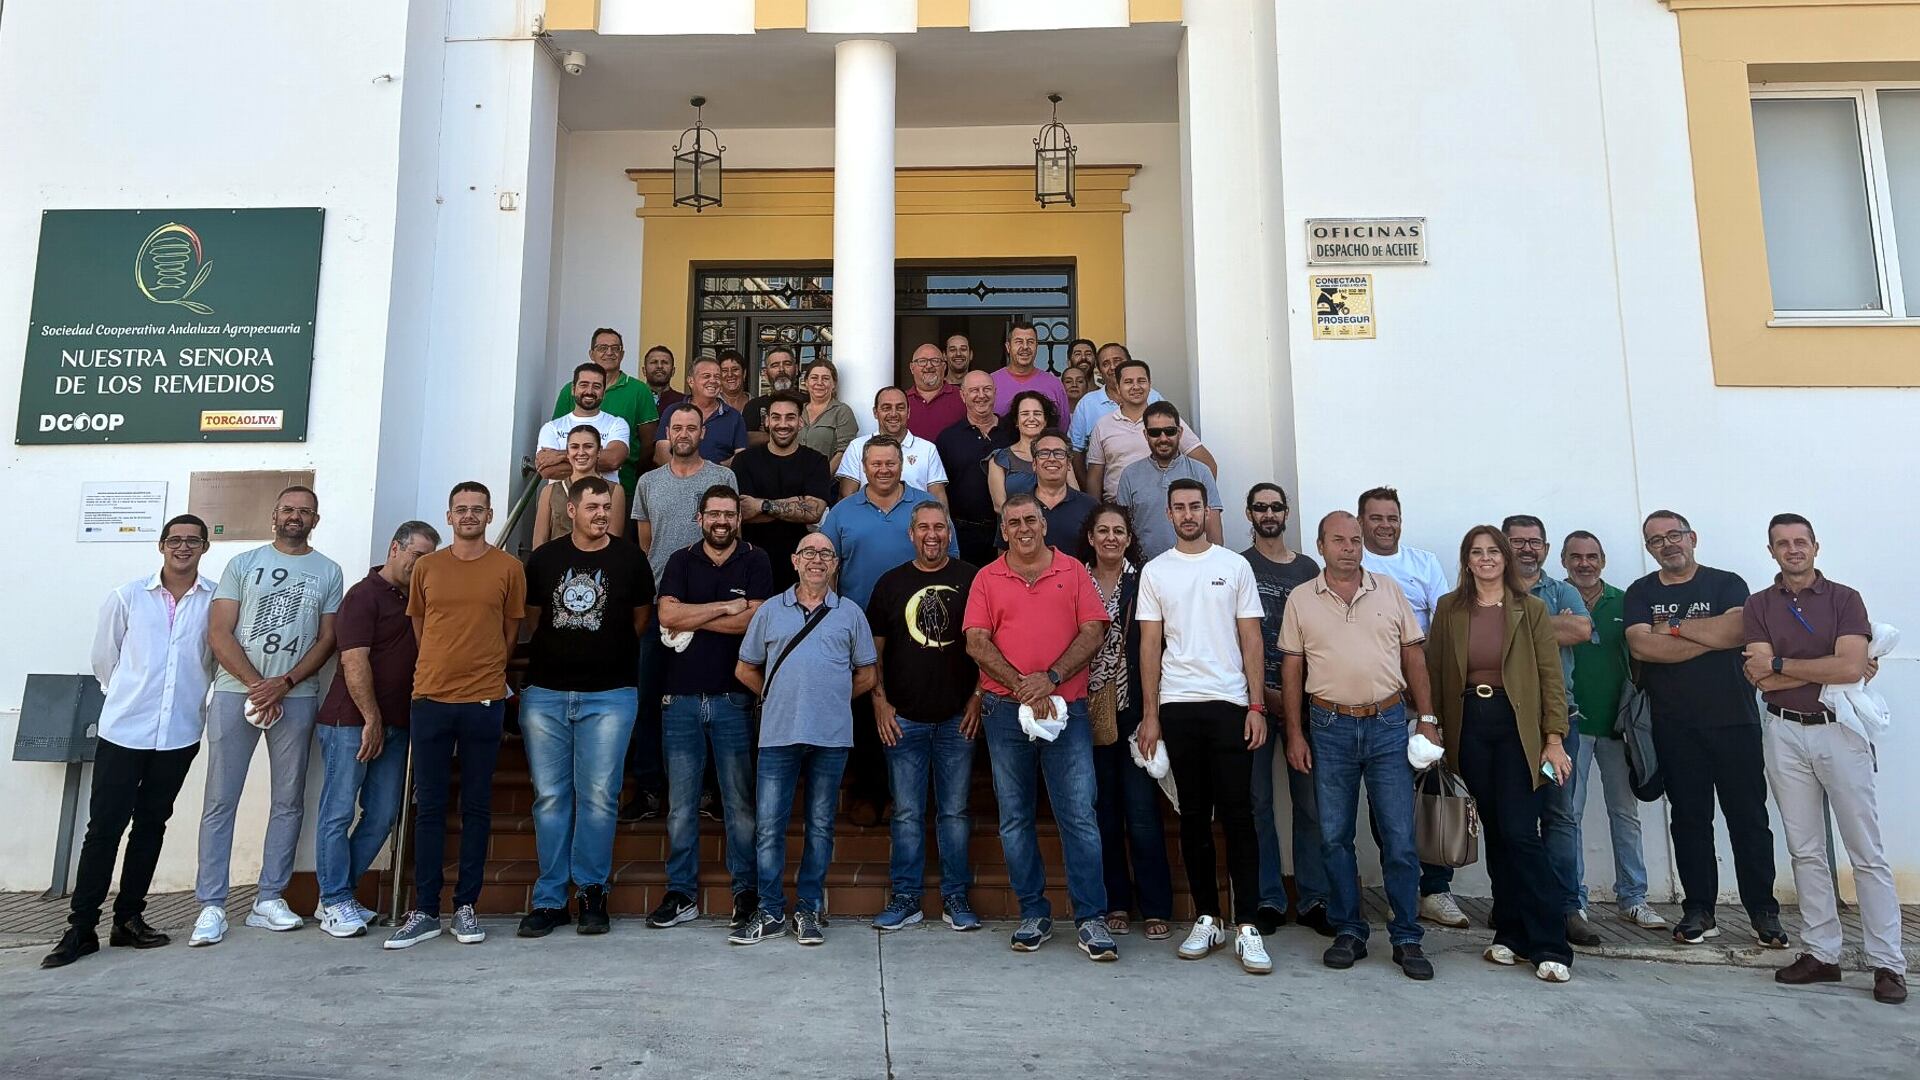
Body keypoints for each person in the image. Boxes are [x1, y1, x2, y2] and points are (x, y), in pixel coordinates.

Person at [1741, 513, 1905, 1005]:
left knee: (1866, 852)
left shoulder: (1844, 599)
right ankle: (1821, 954)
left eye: (1800, 542)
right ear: (1771, 551)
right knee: (1806, 848)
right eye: (1782, 544)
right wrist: (1825, 672)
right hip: (1784, 731)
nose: (1792, 550)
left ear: (1815, 546)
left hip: (1841, 732)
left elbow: (1853, 663)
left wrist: (1782, 665)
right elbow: (1760, 677)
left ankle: (1888, 963)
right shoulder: (1758, 604)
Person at [42, 516, 217, 969]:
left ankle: (129, 919)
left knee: (151, 826)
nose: (183, 548)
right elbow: (106, 661)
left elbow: (212, 659)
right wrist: (129, 697)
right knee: (103, 829)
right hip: (125, 731)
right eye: (175, 540)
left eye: (192, 541)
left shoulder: (216, 601)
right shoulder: (126, 598)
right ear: (161, 546)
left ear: (204, 547)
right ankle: (80, 927)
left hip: (178, 733)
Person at [1279, 511, 1438, 981]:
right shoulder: (1301, 599)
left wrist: (1427, 718)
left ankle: (1407, 937)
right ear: (1321, 545)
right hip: (1329, 726)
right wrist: (1294, 732)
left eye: (1354, 540)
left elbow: (1413, 654)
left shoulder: (1388, 589)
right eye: (1339, 540)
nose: (1349, 547)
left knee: (1399, 838)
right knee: (1334, 836)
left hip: (1389, 723)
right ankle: (1350, 929)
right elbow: (1291, 669)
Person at [963, 494, 1118, 962]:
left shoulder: (1072, 571)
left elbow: (1094, 629)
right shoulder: (987, 577)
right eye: (1014, 522)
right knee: (1014, 819)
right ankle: (1034, 911)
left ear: (1044, 524)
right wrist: (1021, 686)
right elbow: (975, 641)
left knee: (1079, 815)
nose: (1024, 528)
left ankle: (1091, 919)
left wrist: (1048, 679)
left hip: (1065, 710)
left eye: (1031, 519)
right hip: (1005, 712)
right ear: (1004, 529)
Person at [190, 486, 343, 947]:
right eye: (288, 510)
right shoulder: (241, 564)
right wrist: (260, 684)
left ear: (316, 520)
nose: (296, 517)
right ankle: (211, 905)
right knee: (220, 800)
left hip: (296, 696)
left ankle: (269, 897)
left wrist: (285, 683)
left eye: (305, 512)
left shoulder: (329, 570)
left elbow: (326, 640)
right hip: (237, 693)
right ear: (274, 515)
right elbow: (219, 632)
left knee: (289, 799)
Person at [1624, 510, 1783, 947]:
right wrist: (1704, 638)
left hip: (1734, 721)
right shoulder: (1641, 592)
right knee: (1690, 820)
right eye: (1656, 540)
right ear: (1649, 548)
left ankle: (1763, 913)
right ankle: (1699, 910)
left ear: (1692, 537)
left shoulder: (1727, 583)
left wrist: (1673, 629)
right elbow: (1641, 645)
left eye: (1674, 535)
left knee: (1749, 819)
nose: (1668, 544)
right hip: (1674, 726)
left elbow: (1735, 630)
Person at [1133, 479, 1273, 975]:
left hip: (1231, 704)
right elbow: (1150, 647)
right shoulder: (1156, 571)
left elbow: (1251, 639)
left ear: (1208, 512)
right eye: (1179, 508)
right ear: (1168, 514)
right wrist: (1151, 714)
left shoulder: (1234, 566)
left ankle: (1248, 924)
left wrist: (1256, 705)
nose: (1188, 514)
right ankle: (1208, 917)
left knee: (1239, 815)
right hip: (1177, 705)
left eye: (1195, 506)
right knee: (1193, 815)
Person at [1426, 526, 1576, 983]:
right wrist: (1431, 728)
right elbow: (1434, 674)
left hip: (1518, 730)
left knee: (1520, 833)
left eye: (1494, 551)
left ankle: (1550, 941)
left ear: (1506, 560)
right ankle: (1510, 933)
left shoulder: (1529, 609)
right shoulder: (1450, 609)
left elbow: (1551, 678)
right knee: (1494, 830)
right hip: (1471, 726)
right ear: (1467, 560)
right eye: (1477, 552)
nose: (1487, 558)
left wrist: (1554, 737)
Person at [384, 482, 526, 950]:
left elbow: (510, 630)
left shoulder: (509, 568)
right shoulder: (426, 567)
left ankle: (466, 906)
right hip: (430, 699)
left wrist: (483, 668)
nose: (469, 516)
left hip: (484, 700)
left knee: (477, 806)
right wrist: (442, 667)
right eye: (460, 509)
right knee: (428, 807)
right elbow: (421, 625)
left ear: (489, 516)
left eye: (477, 510)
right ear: (449, 517)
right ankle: (424, 909)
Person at [516, 478, 655, 940]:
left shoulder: (630, 559)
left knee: (598, 796)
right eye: (592, 506)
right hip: (547, 694)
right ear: (570, 508)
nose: (601, 513)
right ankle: (551, 898)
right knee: (551, 797)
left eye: (606, 506)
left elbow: (639, 620)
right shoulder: (545, 559)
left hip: (610, 694)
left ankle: (592, 892)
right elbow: (532, 620)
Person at [728, 532, 879, 946]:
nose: (817, 559)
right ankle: (771, 910)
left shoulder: (850, 614)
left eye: (825, 554)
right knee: (769, 827)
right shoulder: (770, 612)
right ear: (794, 560)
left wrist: (827, 699)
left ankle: (808, 908)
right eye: (809, 552)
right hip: (778, 733)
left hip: (831, 737)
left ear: (835, 565)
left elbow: (867, 674)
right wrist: (780, 696)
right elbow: (745, 669)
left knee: (820, 826)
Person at [650, 487, 774, 934]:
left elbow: (754, 620)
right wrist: (725, 607)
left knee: (739, 803)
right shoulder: (681, 560)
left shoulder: (756, 560)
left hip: (732, 698)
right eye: (713, 514)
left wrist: (694, 614)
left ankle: (745, 892)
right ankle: (681, 893)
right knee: (681, 806)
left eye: (729, 514)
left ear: (739, 518)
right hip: (680, 697)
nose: (721, 521)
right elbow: (667, 616)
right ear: (699, 517)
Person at [311, 520, 439, 939]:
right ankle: (333, 901)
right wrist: (371, 719)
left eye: (427, 561)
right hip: (352, 723)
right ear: (395, 548)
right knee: (337, 812)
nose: (420, 566)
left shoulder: (417, 598)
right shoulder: (363, 596)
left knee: (383, 814)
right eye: (417, 556)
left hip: (397, 724)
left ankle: (338, 894)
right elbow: (353, 660)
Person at [819, 437, 957, 825]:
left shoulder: (925, 508)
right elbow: (825, 564)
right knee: (867, 711)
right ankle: (869, 791)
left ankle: (908, 796)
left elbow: (951, 561)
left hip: (918, 627)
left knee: (913, 709)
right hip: (859, 626)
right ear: (864, 467)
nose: (883, 470)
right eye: (875, 464)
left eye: (890, 463)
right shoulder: (844, 511)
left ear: (902, 465)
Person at [867, 502, 983, 933]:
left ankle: (955, 896)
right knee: (906, 813)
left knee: (954, 812)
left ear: (949, 533)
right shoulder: (890, 583)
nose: (932, 535)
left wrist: (977, 698)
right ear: (910, 534)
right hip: (904, 719)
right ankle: (906, 897)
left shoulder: (972, 579)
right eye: (923, 528)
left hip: (958, 717)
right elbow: (873, 653)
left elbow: (990, 643)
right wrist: (879, 702)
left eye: (940, 527)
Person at [1355, 485, 1465, 929]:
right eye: (1376, 518)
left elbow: (1442, 631)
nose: (1385, 525)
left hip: (1419, 700)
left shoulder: (1423, 564)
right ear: (1361, 522)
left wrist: (1430, 706)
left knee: (1431, 792)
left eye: (1391, 517)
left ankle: (1436, 889)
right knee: (1386, 801)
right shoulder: (1351, 564)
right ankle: (1402, 889)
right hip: (1372, 701)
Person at [626, 402, 738, 821]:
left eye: (693, 426)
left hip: (712, 608)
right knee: (650, 697)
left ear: (703, 432)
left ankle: (710, 791)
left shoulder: (722, 477)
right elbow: (645, 543)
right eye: (677, 427)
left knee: (710, 697)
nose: (685, 433)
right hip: (661, 606)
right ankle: (651, 789)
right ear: (667, 435)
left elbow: (728, 530)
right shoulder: (649, 482)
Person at [1559, 531, 1665, 930]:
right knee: (1569, 814)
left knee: (1625, 813)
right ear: (1564, 561)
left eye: (1591, 556)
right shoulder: (1553, 599)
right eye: (1576, 557)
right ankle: (1575, 900)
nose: (1584, 563)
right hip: (1568, 726)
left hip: (1618, 728)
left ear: (1602, 559)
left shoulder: (1625, 600)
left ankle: (1633, 897)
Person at [1079, 502, 1175, 942]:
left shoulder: (1146, 581)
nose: (1111, 538)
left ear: (1129, 538)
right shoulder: (1074, 581)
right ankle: (1116, 900)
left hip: (1136, 709)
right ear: (1091, 537)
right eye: (1103, 530)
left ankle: (1156, 905)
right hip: (1088, 710)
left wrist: (1153, 713)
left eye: (1119, 531)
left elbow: (1159, 648)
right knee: (1103, 812)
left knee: (1141, 812)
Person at [1502, 514, 1600, 947]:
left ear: (1545, 548)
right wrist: (1547, 627)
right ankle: (1514, 903)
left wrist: (1515, 626)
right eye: (1518, 541)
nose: (1527, 549)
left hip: (1558, 726)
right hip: (1505, 725)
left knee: (1559, 816)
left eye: (1534, 542)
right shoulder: (1489, 590)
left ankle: (1566, 907)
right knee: (1511, 818)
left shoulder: (1564, 591)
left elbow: (1580, 629)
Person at [1239, 484, 1332, 936]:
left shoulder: (1308, 569)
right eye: (1261, 507)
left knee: (1310, 802)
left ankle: (1313, 897)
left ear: (1287, 513)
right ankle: (1269, 899)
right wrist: (1262, 694)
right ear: (1249, 514)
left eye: (1276, 507)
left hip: (1305, 702)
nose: (1269, 513)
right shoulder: (1238, 565)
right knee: (1258, 802)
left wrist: (1296, 697)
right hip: (1253, 700)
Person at [731, 391, 831, 591]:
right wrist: (795, 506)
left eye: (790, 417)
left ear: (801, 422)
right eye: (776, 417)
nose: (783, 424)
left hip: (802, 566)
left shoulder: (816, 461)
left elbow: (813, 512)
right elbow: (744, 513)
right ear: (767, 421)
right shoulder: (745, 461)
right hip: (753, 562)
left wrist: (762, 504)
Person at [551, 328, 658, 498]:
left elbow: (648, 444)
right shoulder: (570, 391)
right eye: (602, 348)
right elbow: (556, 440)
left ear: (622, 354)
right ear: (591, 353)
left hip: (622, 486)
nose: (609, 353)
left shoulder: (639, 390)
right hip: (569, 488)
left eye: (615, 348)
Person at [1084, 359, 1213, 499]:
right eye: (1128, 382)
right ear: (1117, 387)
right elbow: (1094, 478)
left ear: (1150, 385)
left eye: (1141, 381)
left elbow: (1207, 464)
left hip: (1164, 511)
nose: (1135, 386)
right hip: (1118, 512)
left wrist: (1196, 506)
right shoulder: (1103, 425)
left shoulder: (1167, 422)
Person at [1112, 401, 1223, 560]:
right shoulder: (1129, 475)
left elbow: (1214, 532)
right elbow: (1122, 529)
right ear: (1145, 435)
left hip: (1194, 567)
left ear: (1180, 432)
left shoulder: (1201, 472)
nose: (1163, 438)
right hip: (1145, 571)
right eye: (1155, 432)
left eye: (1169, 431)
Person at [934, 370, 1010, 566]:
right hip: (964, 535)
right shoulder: (947, 439)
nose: (981, 395)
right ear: (963, 395)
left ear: (995, 392)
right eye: (974, 390)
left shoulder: (1013, 433)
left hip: (1009, 531)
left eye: (987, 389)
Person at [836, 386, 950, 503]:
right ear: (875, 413)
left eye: (900, 408)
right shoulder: (857, 447)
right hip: (869, 519)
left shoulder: (928, 449)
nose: (894, 414)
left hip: (916, 520)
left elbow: (938, 500)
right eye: (886, 408)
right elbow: (847, 497)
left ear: (909, 412)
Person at [539, 360, 633, 486]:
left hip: (604, 501)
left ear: (604, 392)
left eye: (596, 386)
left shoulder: (617, 424)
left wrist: (560, 456)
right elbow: (548, 470)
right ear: (573, 389)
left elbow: (613, 460)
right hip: (561, 500)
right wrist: (597, 462)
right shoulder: (551, 428)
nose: (589, 391)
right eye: (583, 385)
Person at [533, 425, 628, 547]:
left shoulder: (614, 490)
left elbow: (613, 540)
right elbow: (539, 541)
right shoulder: (549, 491)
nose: (581, 452)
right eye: (574, 447)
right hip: (556, 562)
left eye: (588, 446)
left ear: (599, 451)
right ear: (567, 453)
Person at [1067, 343, 1163, 461]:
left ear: (1129, 363)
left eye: (1117, 360)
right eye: (1105, 364)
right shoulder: (1087, 404)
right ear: (1100, 370)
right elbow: (1076, 450)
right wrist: (1083, 480)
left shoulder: (1153, 397)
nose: (1112, 367)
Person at [987, 390, 1074, 514]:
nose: (1031, 419)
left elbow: (1076, 495)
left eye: (1037, 413)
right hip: (1016, 529)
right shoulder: (999, 459)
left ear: (1045, 420)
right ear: (1016, 421)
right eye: (1025, 414)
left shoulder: (1060, 455)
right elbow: (999, 506)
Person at [654, 356, 747, 466]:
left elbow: (741, 457)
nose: (713, 381)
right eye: (706, 376)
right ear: (691, 381)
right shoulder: (673, 411)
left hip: (718, 480)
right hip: (676, 480)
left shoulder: (734, 417)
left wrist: (711, 473)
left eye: (717, 377)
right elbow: (660, 454)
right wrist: (685, 475)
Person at [1029, 429, 1096, 561]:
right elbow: (1005, 556)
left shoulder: (1090, 507)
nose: (1052, 459)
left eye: (1059, 453)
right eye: (1044, 453)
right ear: (1034, 464)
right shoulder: (1017, 506)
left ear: (1069, 464)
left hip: (1077, 580)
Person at [991, 320, 1070, 421]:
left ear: (1037, 346)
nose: (1025, 347)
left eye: (1030, 342)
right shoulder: (991, 383)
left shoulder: (1054, 385)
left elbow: (1062, 426)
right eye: (1019, 342)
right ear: (1008, 347)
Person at [798, 358, 860, 472]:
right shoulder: (797, 411)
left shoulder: (842, 411)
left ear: (834, 384)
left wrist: (822, 478)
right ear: (806, 382)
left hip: (827, 483)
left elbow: (844, 452)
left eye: (825, 378)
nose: (819, 383)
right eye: (814, 378)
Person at [903, 341, 966, 440]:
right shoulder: (901, 401)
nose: (929, 366)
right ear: (912, 368)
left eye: (935, 361)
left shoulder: (962, 396)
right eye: (922, 361)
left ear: (944, 367)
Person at [743, 345, 799, 446]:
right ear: (765, 373)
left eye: (787, 364)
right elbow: (746, 439)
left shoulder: (808, 402)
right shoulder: (754, 405)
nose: (781, 369)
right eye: (775, 365)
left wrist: (766, 435)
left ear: (797, 369)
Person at [643, 343, 685, 413]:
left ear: (673, 371)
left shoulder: (683, 402)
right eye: (654, 362)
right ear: (644, 370)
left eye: (665, 362)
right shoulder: (634, 399)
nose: (659, 366)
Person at [717, 348, 752, 416]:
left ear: (744, 374)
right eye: (724, 370)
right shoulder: (711, 404)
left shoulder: (755, 404)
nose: (730, 374)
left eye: (735, 369)